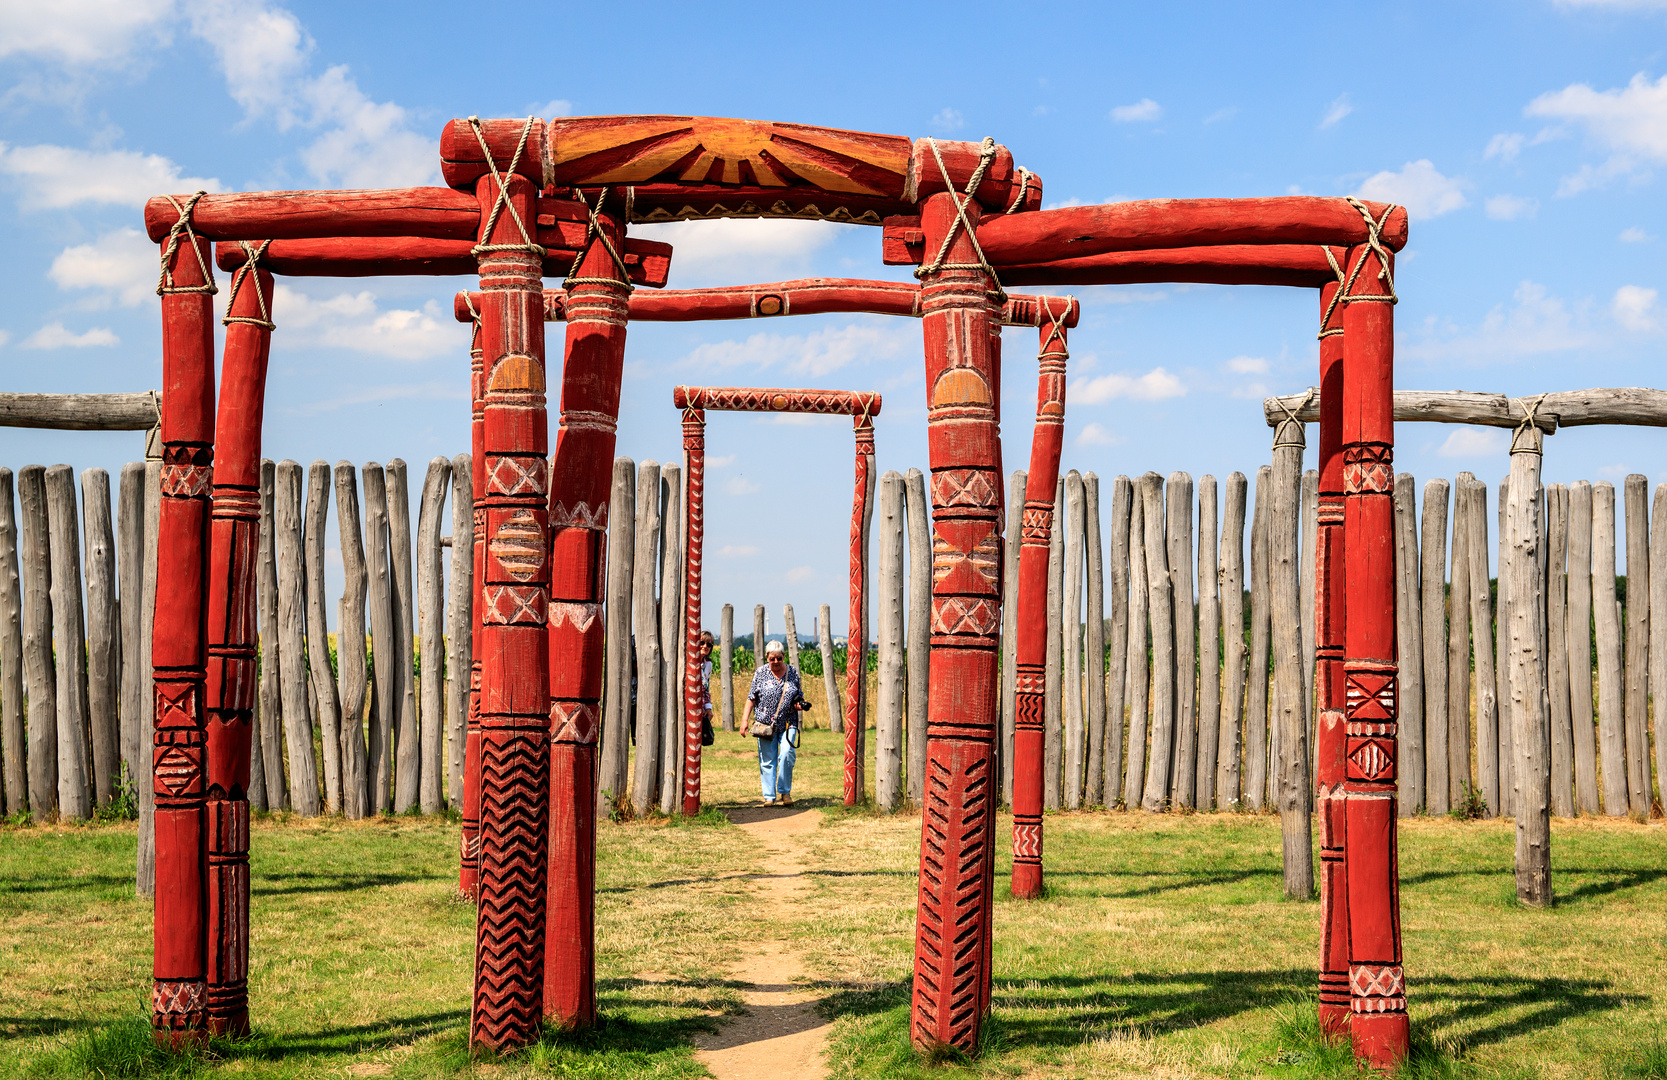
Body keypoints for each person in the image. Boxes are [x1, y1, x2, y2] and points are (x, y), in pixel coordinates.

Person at [741, 639, 808, 806]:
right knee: (767, 759)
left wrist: (799, 704)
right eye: (772, 659)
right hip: (764, 725)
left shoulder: (792, 672)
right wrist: (744, 720)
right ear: (767, 657)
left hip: (788, 723)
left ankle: (785, 793)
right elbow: (751, 698)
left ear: (784, 656)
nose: (776, 662)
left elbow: (797, 695)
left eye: (779, 658)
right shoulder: (760, 673)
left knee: (786, 754)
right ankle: (769, 796)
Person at [696, 630, 715, 744]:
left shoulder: (708, 664)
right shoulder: (687, 662)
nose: (705, 646)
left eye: (709, 644)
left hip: (701, 708)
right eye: (702, 643)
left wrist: (708, 708)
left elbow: (706, 689)